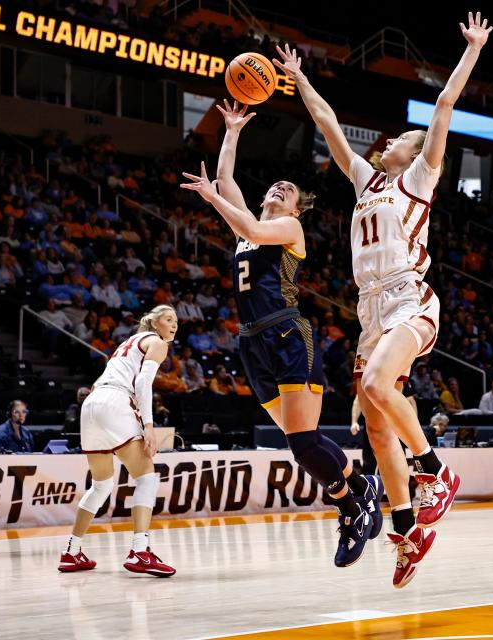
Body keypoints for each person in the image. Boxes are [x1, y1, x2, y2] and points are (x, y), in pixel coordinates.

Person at [276, 13, 492, 587]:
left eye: (400, 138)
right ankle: (407, 528)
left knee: (374, 387)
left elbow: (443, 105)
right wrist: (299, 78)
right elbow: (328, 126)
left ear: (416, 152)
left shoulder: (419, 177)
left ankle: (435, 472)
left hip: (408, 298)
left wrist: (471, 50)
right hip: (369, 309)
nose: (389, 141)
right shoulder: (365, 182)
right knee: (375, 429)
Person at [180, 99, 381, 568]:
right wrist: (231, 131)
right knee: (301, 439)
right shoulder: (248, 233)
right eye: (277, 185)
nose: (281, 188)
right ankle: (361, 485)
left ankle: (351, 506)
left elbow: (237, 210)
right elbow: (228, 182)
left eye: (288, 190)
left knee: (301, 442)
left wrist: (213, 199)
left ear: (295, 209)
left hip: (288, 333)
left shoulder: (288, 228)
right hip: (252, 342)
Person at [57, 305, 178, 576]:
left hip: (91, 403)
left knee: (101, 485)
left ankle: (71, 551)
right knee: (146, 477)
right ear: (154, 324)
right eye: (169, 320)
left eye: (176, 321)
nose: (174, 325)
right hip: (115, 402)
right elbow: (143, 384)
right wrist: (148, 425)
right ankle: (140, 551)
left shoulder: (128, 342)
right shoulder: (157, 343)